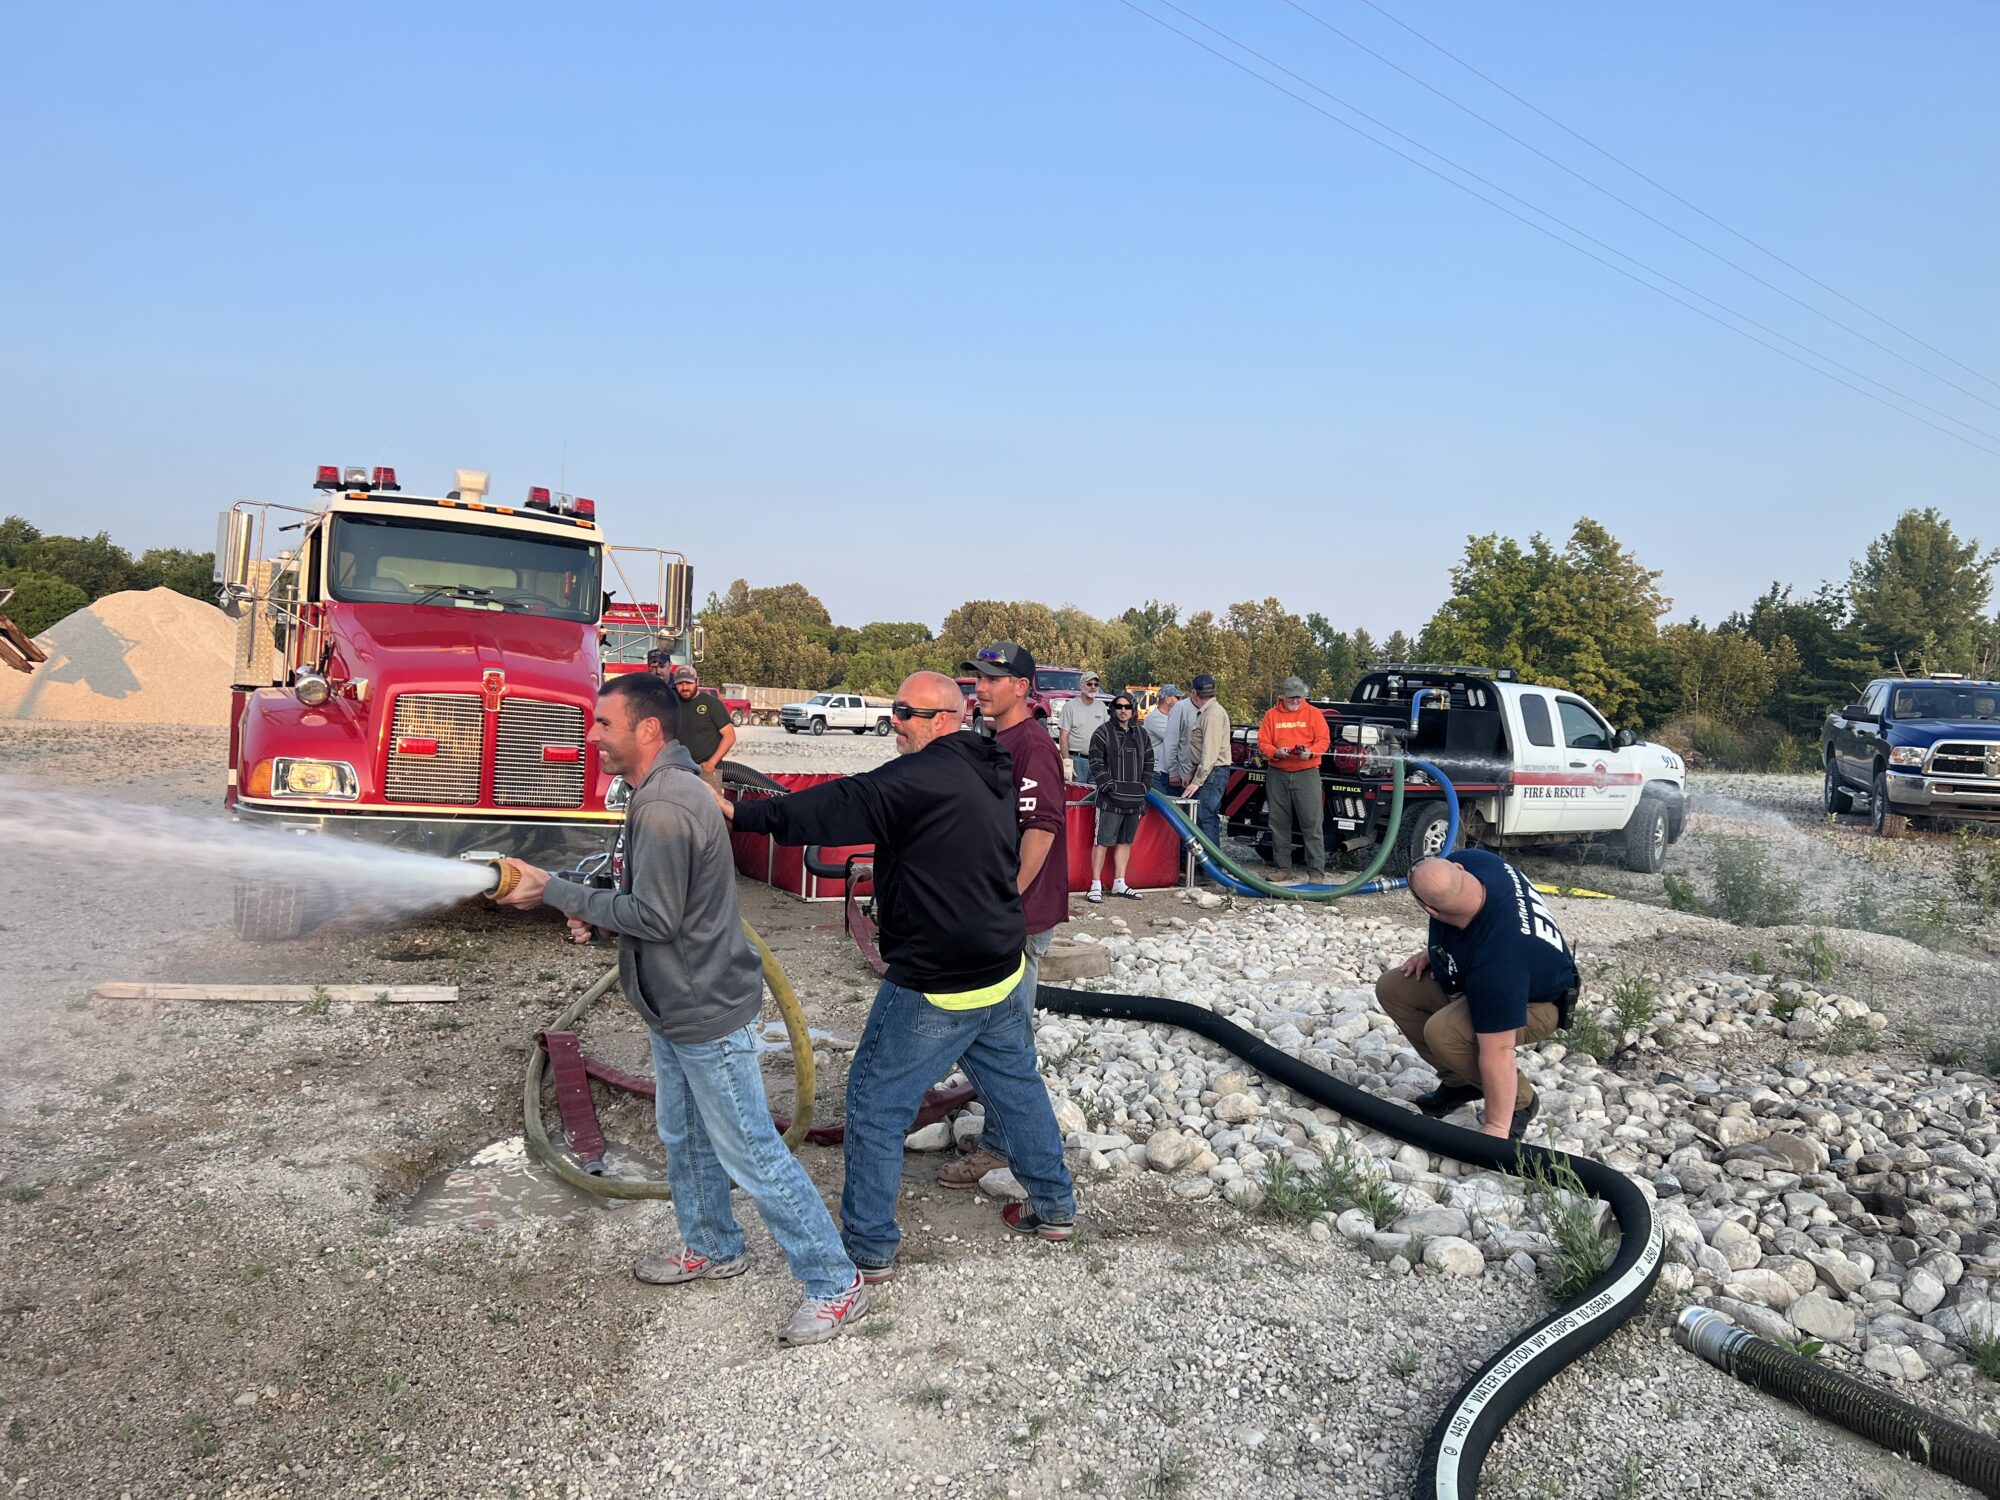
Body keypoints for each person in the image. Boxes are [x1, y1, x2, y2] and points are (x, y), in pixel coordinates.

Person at [489, 672, 868, 1345]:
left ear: (648, 731)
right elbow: (651, 896)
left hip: (700, 1007)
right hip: (674, 1004)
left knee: (752, 1151)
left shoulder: (665, 804)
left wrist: (558, 894)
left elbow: (656, 918)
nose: (593, 735)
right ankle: (714, 1245)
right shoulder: (661, 791)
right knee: (685, 1137)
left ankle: (835, 1282)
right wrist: (591, 904)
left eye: (604, 724)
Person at [721, 671, 1077, 1272]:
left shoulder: (923, 776)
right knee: (1016, 1087)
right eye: (893, 711)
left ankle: (868, 1246)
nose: (895, 724)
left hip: (940, 977)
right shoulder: (987, 760)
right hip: (1000, 963)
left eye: (907, 714)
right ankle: (1056, 1207)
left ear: (942, 719)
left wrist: (737, 812)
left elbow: (837, 806)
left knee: (875, 1104)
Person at [943, 641, 1070, 1190]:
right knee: (998, 1031)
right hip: (1005, 913)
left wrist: (1005, 902)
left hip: (1019, 916)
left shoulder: (1032, 746)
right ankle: (1002, 1133)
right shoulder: (999, 739)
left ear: (1022, 687)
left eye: (995, 679)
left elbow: (1040, 831)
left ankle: (1001, 1148)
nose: (982, 687)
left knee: (1007, 1038)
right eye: (978, 678)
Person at [1373, 851, 1579, 1140]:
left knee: (1445, 1033)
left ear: (1430, 910)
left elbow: (1498, 1051)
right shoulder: (1478, 862)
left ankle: (1521, 1102)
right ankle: (1460, 1082)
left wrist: (1495, 1127)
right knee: (1394, 988)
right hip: (1495, 976)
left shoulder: (1500, 962)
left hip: (1538, 1003)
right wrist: (1433, 953)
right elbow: (1464, 930)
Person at [1256, 676, 1330, 884]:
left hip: (1307, 773)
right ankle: (1283, 868)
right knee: (1278, 822)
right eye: (1292, 697)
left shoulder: (1314, 714)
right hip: (1278, 773)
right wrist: (1276, 752)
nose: (1296, 701)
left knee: (1312, 822)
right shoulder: (1271, 716)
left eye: (1299, 697)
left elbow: (1323, 740)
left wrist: (1312, 752)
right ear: (1283, 696)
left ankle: (1316, 871)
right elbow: (1263, 742)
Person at [1087, 692, 1152, 902]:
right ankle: (1095, 885)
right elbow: (1095, 762)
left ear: (1133, 709)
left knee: (1125, 841)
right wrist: (1107, 786)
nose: (1123, 710)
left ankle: (1120, 883)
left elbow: (1150, 762)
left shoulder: (1142, 734)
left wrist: (1144, 788)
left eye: (1127, 707)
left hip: (1135, 799)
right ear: (1113, 709)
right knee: (1102, 841)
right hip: (1109, 799)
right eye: (1119, 706)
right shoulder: (1102, 732)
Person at [653, 660, 736, 791]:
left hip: (706, 772)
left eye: (688, 683)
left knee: (709, 809)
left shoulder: (712, 704)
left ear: (696, 682)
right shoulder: (671, 704)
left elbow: (729, 736)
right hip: (678, 770)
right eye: (680, 684)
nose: (684, 687)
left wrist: (712, 763)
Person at [1183, 673, 1232, 846]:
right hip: (1208, 771)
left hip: (1212, 772)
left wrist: (1197, 780)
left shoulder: (1211, 715)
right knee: (1200, 816)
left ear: (1194, 693)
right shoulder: (1210, 712)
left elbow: (1210, 753)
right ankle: (1203, 865)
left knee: (1205, 815)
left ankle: (1212, 868)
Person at [1056, 672, 1110, 784]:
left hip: (1097, 761)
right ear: (1081, 685)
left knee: (1094, 798)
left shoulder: (1102, 707)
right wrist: (1066, 761)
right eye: (1089, 684)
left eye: (1096, 684)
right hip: (1077, 760)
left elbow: (1107, 735)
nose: (1093, 687)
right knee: (1077, 798)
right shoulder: (1070, 707)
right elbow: (1063, 736)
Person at [1145, 683, 1193, 797]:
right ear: (1167, 699)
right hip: (1157, 773)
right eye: (1177, 698)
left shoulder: (1171, 717)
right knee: (1164, 807)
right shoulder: (1154, 718)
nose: (1180, 701)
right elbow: (1175, 738)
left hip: (1169, 772)